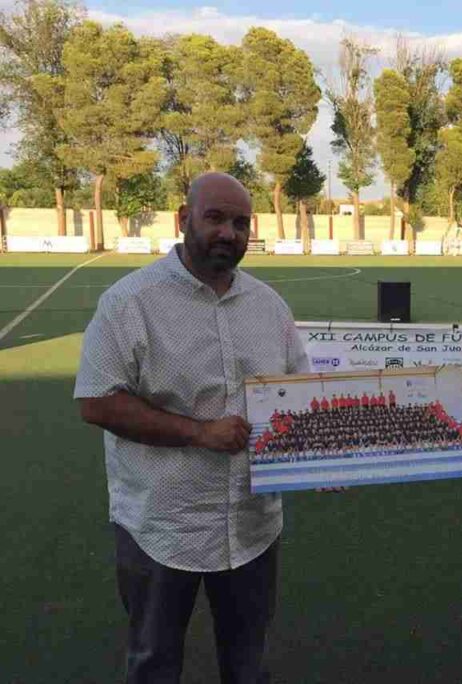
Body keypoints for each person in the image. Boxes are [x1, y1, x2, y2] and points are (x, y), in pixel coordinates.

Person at [74, 172, 309, 684]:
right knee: (154, 661)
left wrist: (320, 458)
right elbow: (96, 401)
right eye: (216, 218)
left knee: (247, 663)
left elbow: (298, 394)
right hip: (162, 524)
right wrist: (200, 433)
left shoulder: (271, 308)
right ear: (184, 220)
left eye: (241, 222)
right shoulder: (130, 302)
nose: (229, 232)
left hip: (252, 524)